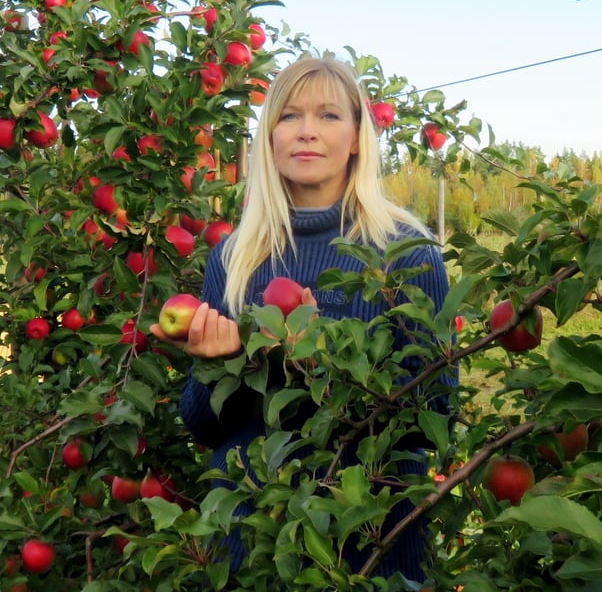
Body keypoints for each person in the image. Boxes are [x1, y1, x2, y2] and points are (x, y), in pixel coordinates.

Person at [151, 55, 455, 585]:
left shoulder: (405, 254)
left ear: (357, 138)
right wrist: (221, 363)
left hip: (370, 540)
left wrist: (320, 359)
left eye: (328, 116)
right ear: (269, 137)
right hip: (249, 540)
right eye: (289, 116)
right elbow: (203, 426)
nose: (306, 131)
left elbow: (437, 416)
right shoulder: (236, 257)